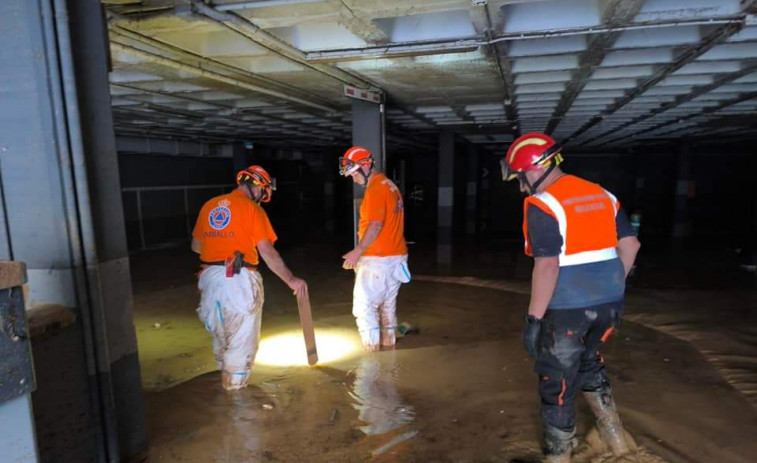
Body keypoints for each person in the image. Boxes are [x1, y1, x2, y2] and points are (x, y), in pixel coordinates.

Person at [501, 133, 641, 462]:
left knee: (557, 381)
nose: (522, 187)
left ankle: (559, 456)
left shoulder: (542, 204)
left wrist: (533, 320)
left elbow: (547, 266)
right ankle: (617, 439)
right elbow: (631, 246)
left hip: (568, 309)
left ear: (534, 170)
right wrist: (611, 285)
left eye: (521, 179)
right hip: (610, 304)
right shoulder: (603, 194)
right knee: (589, 361)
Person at [191, 165, 307, 390]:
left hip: (209, 280)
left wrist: (221, 245)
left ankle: (220, 400)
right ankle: (236, 407)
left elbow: (196, 246)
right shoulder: (253, 210)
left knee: (221, 341)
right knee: (241, 346)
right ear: (257, 187)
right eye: (262, 192)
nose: (261, 198)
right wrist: (292, 280)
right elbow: (267, 252)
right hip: (238, 280)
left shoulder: (209, 206)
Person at [339, 146, 411, 352]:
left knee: (364, 307)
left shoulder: (376, 189)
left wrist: (357, 251)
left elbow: (375, 225)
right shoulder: (391, 186)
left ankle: (371, 359)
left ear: (365, 165)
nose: (353, 179)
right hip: (397, 257)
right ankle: (389, 346)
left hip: (378, 259)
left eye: (353, 174)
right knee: (387, 305)